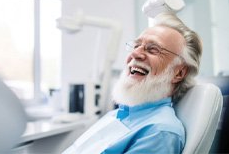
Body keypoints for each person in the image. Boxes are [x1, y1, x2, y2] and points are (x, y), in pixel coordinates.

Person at [62, 13, 203, 154]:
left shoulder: (159, 132)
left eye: (153, 49)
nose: (135, 54)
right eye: (136, 45)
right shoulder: (118, 114)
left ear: (178, 73)